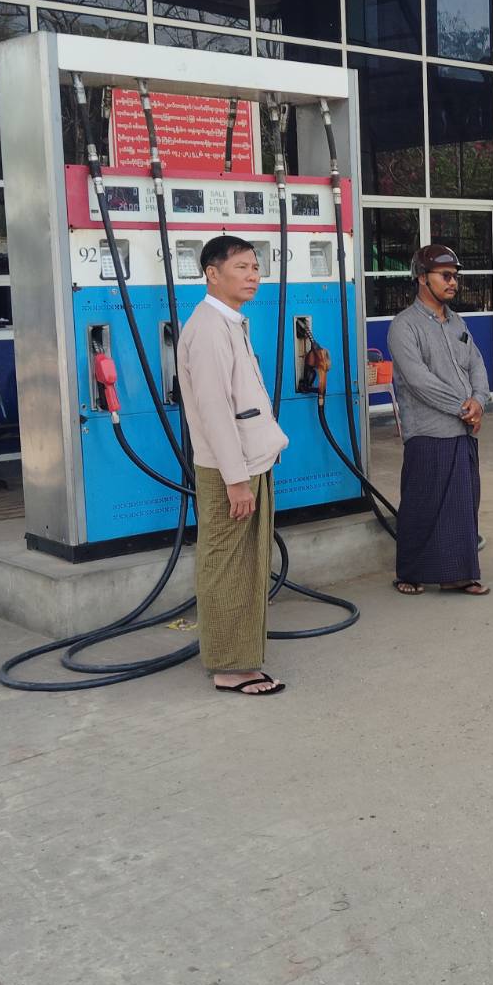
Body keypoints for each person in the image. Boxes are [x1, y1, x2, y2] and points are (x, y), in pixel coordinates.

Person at [177, 236, 290, 696]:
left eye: (255, 268)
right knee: (226, 564)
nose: (252, 276)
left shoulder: (229, 323)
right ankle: (228, 667)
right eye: (241, 267)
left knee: (248, 565)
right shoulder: (207, 329)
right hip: (232, 471)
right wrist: (236, 481)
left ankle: (242, 657)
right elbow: (214, 412)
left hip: (248, 464)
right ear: (212, 273)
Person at [386, 244, 491, 596]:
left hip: (463, 431)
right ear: (422, 278)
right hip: (427, 432)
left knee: (462, 506)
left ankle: (459, 575)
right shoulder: (404, 326)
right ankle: (410, 573)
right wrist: (463, 407)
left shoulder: (457, 322)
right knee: (423, 506)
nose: (453, 283)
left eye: (455, 277)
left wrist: (480, 401)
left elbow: (476, 364)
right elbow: (419, 381)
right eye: (445, 276)